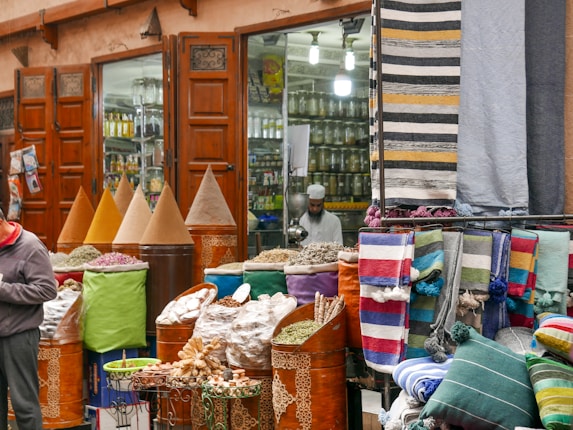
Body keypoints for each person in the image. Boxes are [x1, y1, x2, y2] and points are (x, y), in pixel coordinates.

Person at [0, 208, 57, 430]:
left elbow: (46, 290)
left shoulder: (30, 246)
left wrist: (2, 289)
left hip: (18, 336)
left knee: (24, 406)